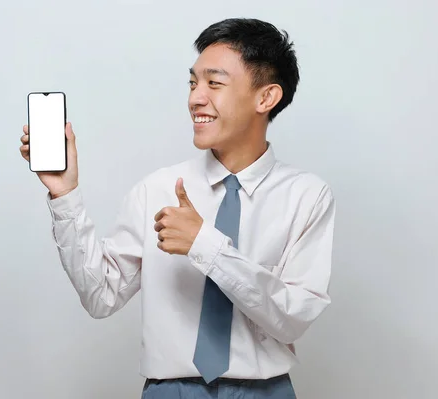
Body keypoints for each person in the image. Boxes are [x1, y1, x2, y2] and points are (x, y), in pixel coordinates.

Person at [20, 17, 335, 399]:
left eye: (214, 83)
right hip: (170, 392)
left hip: (264, 392)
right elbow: (100, 296)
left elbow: (292, 319)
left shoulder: (307, 196)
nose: (195, 98)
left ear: (265, 98)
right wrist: (64, 194)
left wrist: (205, 245)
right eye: (193, 82)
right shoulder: (157, 189)